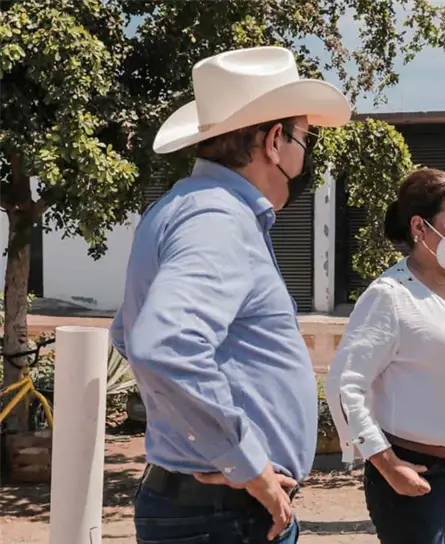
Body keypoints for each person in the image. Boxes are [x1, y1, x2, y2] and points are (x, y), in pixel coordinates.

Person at [110, 46, 351, 543]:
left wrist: (201, 440)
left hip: (214, 507)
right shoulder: (219, 219)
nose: (306, 155)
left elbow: (127, 335)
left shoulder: (183, 207)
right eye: (305, 138)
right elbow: (164, 344)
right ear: (274, 140)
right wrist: (247, 465)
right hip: (228, 515)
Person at [325, 168, 445, 544]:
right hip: (417, 472)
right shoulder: (391, 296)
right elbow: (345, 386)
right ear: (419, 228)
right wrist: (385, 463)